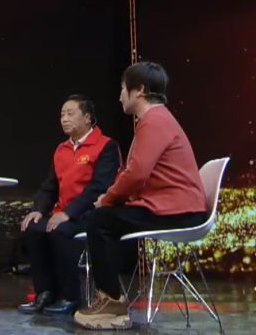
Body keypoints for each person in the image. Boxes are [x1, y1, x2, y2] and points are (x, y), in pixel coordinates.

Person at [74, 63, 208, 330]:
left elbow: (136, 174)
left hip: (180, 211)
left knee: (99, 220)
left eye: (123, 89)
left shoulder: (154, 121)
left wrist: (108, 199)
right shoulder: (157, 119)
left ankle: (112, 301)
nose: (120, 96)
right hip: (173, 207)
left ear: (140, 91)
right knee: (104, 218)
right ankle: (110, 298)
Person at [18, 95, 121, 315]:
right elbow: (49, 186)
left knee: (59, 230)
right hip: (63, 212)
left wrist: (69, 213)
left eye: (70, 114)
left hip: (91, 213)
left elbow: (99, 187)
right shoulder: (61, 149)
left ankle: (70, 296)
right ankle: (45, 292)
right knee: (33, 227)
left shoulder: (106, 146)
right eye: (62, 114)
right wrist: (38, 210)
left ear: (87, 117)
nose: (64, 119)